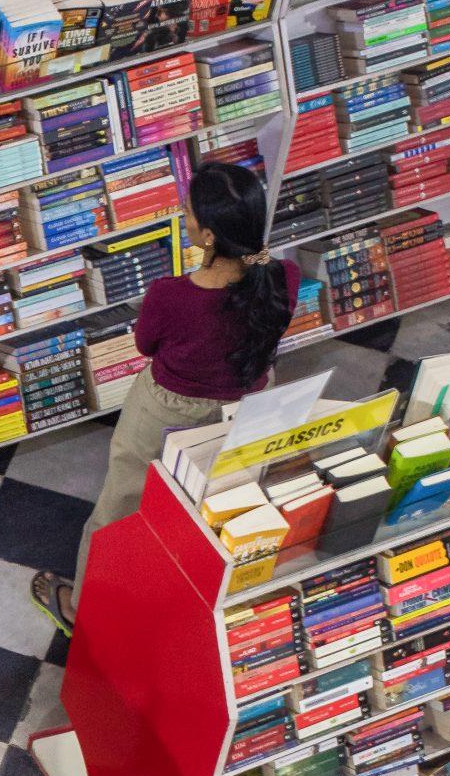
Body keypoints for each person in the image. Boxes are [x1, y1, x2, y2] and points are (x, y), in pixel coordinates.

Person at [31, 158, 300, 635]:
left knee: (122, 506)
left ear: (210, 234)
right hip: (248, 408)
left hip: (168, 410)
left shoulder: (171, 296)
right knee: (212, 507)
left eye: (189, 210)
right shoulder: (285, 278)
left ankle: (83, 610)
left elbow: (145, 346)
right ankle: (184, 595)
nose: (183, 214)